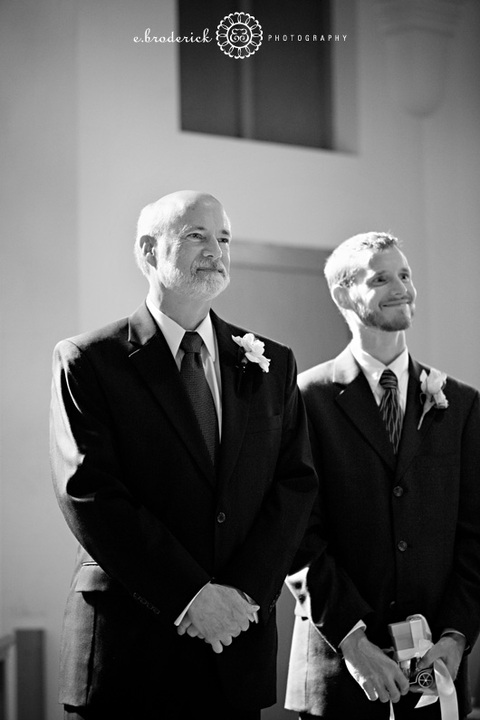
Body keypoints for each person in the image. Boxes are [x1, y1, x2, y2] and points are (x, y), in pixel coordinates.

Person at [50, 190, 318, 720]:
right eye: (197, 235)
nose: (216, 250)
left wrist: (240, 596)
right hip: (129, 653)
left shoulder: (272, 363)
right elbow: (90, 492)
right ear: (149, 251)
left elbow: (295, 484)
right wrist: (192, 596)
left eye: (223, 238)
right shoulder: (88, 360)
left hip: (235, 653)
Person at [285, 232, 480, 720]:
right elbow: (295, 536)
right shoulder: (305, 399)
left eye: (406, 275)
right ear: (343, 294)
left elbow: (476, 535)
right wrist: (354, 644)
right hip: (340, 665)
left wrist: (457, 636)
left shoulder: (461, 404)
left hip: (435, 666)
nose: (402, 288)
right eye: (381, 278)